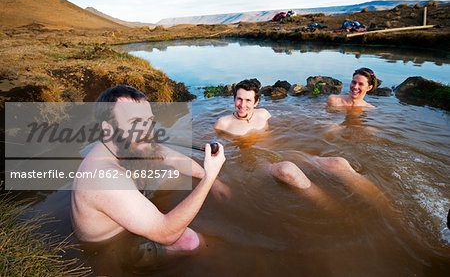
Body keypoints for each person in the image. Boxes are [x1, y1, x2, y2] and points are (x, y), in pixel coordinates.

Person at [71, 85, 227, 256]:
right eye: (135, 122)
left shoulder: (129, 144)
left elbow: (175, 159)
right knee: (190, 241)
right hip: (113, 248)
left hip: (127, 220)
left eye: (149, 122)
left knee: (171, 175)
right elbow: (166, 233)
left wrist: (215, 182)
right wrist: (209, 179)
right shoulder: (104, 177)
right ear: (108, 129)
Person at [214, 79, 390, 210]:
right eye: (239, 99)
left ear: (256, 102)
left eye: (247, 100)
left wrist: (317, 122)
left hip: (280, 151)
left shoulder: (263, 114)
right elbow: (208, 141)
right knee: (287, 169)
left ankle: (386, 206)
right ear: (234, 98)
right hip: (254, 161)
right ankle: (334, 208)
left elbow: (289, 121)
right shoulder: (223, 123)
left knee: (339, 163)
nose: (242, 105)